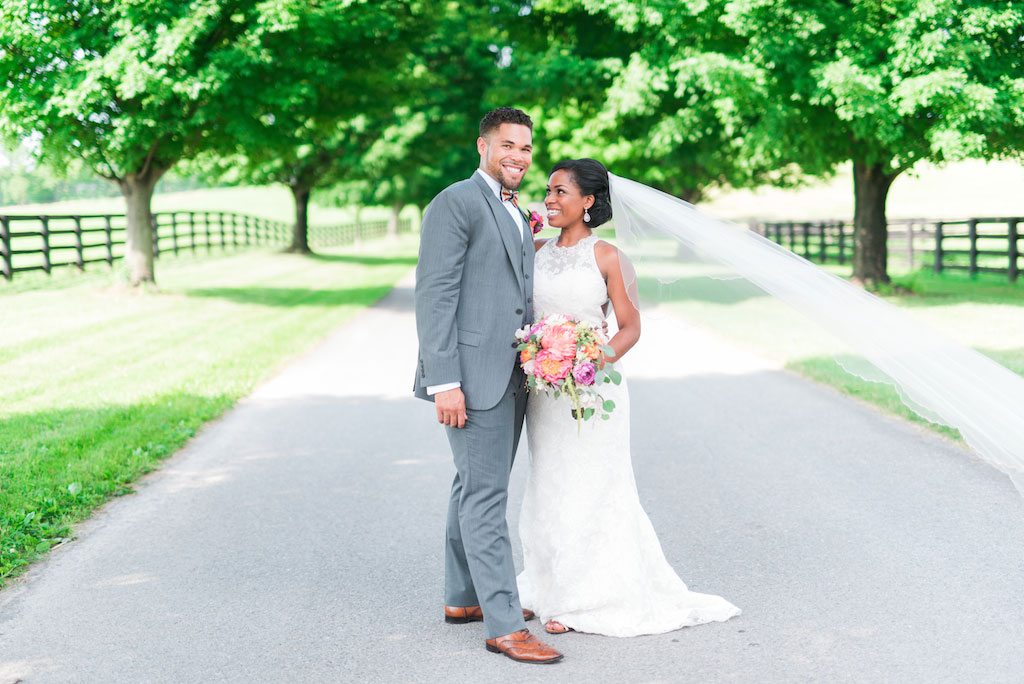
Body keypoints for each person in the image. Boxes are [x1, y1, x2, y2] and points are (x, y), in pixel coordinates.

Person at [516, 158, 742, 636]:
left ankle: (584, 598)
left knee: (593, 484)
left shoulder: (608, 257)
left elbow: (630, 326)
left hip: (592, 391)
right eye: (548, 191)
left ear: (588, 202)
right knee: (548, 483)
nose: (550, 200)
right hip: (544, 393)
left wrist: (587, 361)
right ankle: (546, 586)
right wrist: (543, 359)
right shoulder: (534, 249)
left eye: (560, 192)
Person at [413, 107, 563, 664]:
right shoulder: (454, 202)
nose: (518, 156)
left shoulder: (512, 209)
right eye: (507, 145)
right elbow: (435, 296)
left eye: (525, 148)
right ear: (482, 146)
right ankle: (503, 624)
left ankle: (463, 597)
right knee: (485, 497)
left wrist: (533, 236)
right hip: (471, 379)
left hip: (511, 375)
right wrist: (444, 381)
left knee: (472, 484)